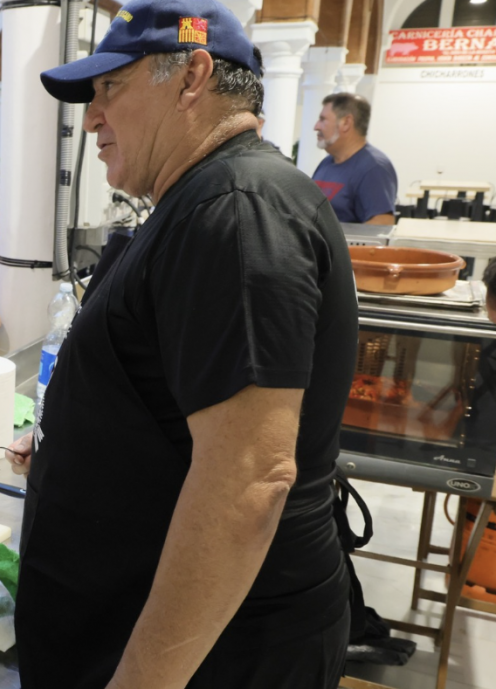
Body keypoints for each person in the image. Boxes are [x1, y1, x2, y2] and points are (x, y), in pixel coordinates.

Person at [25, 2, 357, 687]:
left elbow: (249, 481)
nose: (91, 117)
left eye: (110, 88)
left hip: (217, 655)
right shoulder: (203, 200)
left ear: (191, 77)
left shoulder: (237, 211)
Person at [311, 93, 398, 225]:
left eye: (323, 119)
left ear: (346, 123)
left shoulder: (374, 168)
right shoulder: (327, 163)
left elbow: (382, 223)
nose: (316, 126)